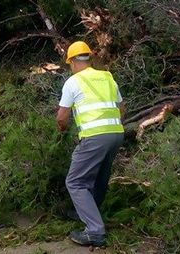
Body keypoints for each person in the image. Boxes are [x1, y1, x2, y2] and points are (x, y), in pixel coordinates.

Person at [56, 41, 125, 248]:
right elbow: (122, 109)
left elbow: (62, 117)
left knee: (75, 182)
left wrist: (61, 130)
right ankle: (84, 212)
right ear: (89, 58)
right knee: (100, 177)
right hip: (116, 134)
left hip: (95, 137)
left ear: (72, 62)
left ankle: (95, 231)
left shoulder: (73, 82)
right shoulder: (108, 77)